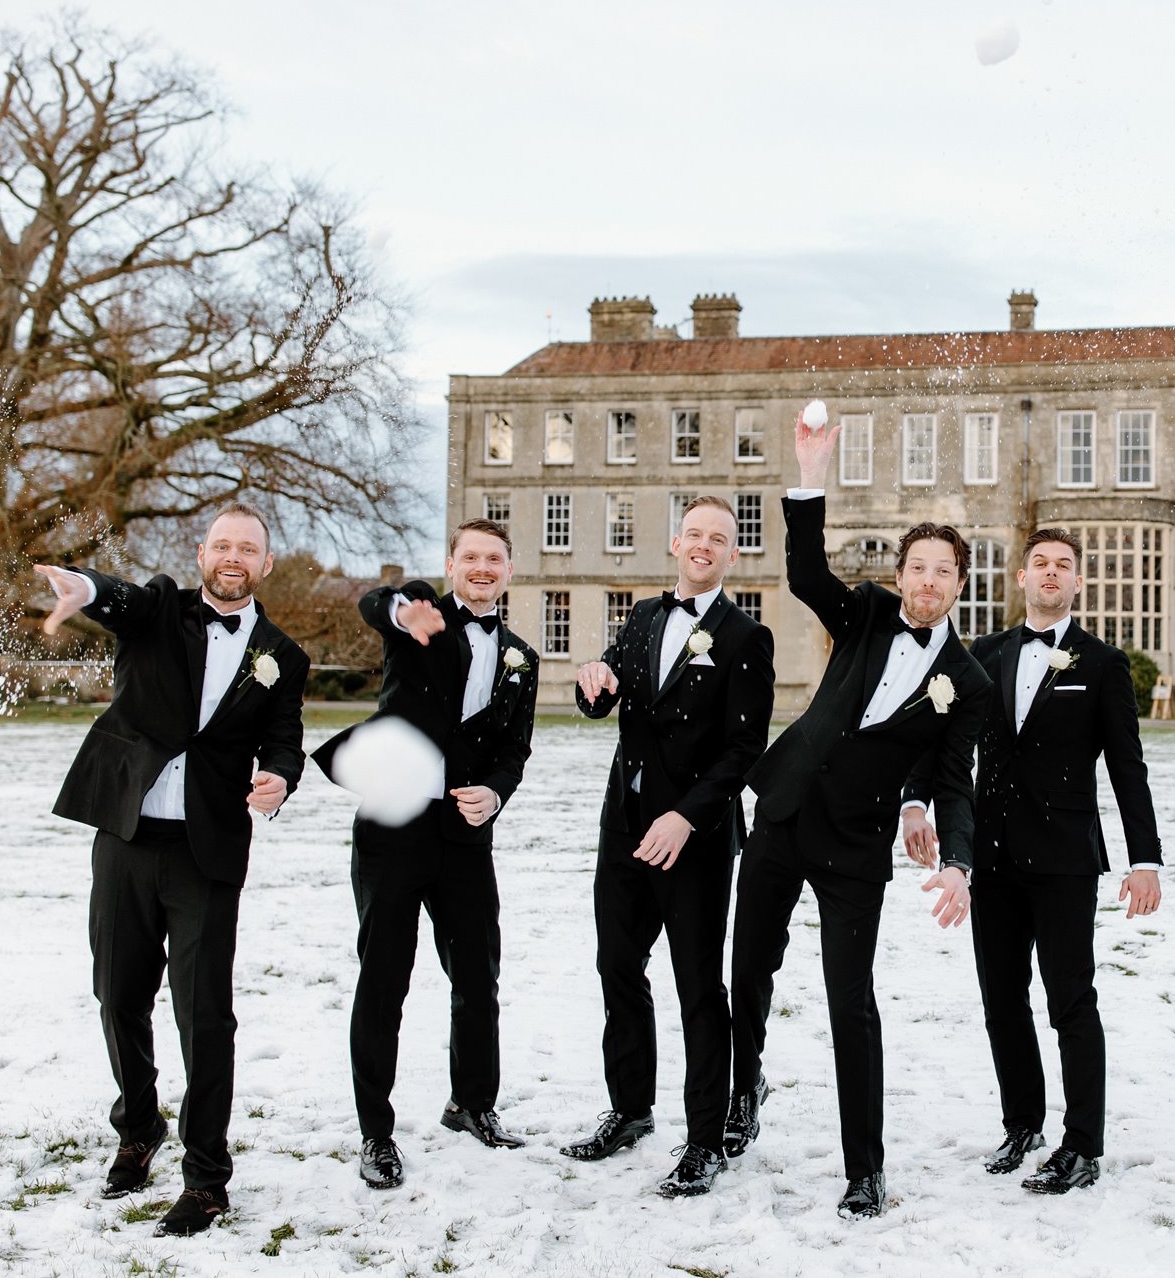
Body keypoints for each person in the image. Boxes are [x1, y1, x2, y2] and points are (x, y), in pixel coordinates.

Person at [726, 412, 992, 1219]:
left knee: (852, 1001)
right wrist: (809, 472)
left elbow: (954, 778)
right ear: (903, 573)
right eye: (918, 566)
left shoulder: (968, 681)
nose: (928, 581)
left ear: (960, 583)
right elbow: (808, 576)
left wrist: (959, 861)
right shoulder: (869, 611)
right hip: (783, 812)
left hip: (855, 847)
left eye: (944, 570)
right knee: (748, 973)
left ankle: (864, 1166)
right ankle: (743, 1092)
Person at [36, 504, 308, 1236]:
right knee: (119, 993)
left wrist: (281, 778)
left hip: (207, 851)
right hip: (126, 834)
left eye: (247, 549)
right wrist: (84, 590)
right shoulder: (160, 610)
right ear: (201, 552)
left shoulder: (282, 654)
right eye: (222, 544)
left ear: (265, 564)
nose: (233, 557)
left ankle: (206, 1179)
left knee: (204, 1014)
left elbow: (286, 742)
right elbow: (118, 598)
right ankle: (138, 1127)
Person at [901, 527, 1162, 1195]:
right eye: (1040, 563)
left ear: (1077, 582)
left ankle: (1083, 1146)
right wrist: (915, 804)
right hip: (990, 856)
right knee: (1001, 1000)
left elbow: (1128, 768)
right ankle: (1023, 1123)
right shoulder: (981, 654)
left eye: (1063, 566)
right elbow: (940, 745)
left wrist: (1145, 859)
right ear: (1021, 577)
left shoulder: (1102, 664)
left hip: (1066, 859)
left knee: (1071, 1000)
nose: (1051, 573)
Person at [311, 518, 539, 1190]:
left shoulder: (522, 654)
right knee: (385, 978)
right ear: (451, 562)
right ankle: (375, 1134)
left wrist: (495, 794)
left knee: (478, 976)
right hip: (395, 827)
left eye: (494, 558)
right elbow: (374, 603)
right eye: (470, 556)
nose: (482, 567)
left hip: (466, 837)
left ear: (509, 568)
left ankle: (471, 1103)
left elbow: (514, 750)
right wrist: (400, 609)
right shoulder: (417, 615)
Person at [560, 496, 776, 1198]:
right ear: (675, 542)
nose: (705, 546)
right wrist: (591, 680)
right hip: (623, 826)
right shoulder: (644, 618)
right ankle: (629, 1111)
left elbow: (745, 748)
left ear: (732, 555)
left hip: (697, 838)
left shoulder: (747, 637)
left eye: (721, 538)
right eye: (695, 535)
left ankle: (707, 1138)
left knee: (697, 988)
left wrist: (686, 817)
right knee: (618, 970)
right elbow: (609, 702)